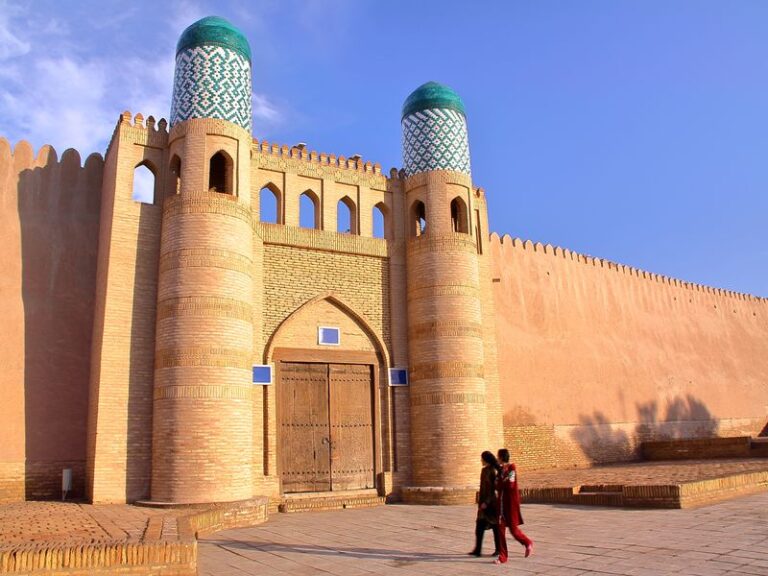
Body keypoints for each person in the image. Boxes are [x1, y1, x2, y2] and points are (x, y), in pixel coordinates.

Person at [495, 448, 533, 564]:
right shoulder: (500, 470)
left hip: (511, 504)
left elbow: (510, 485)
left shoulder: (512, 468)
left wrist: (501, 482)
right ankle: (503, 556)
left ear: (502, 457)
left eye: (498, 456)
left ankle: (527, 543)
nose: (497, 458)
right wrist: (501, 482)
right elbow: (497, 484)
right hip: (501, 504)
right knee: (500, 529)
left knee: (513, 530)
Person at [469, 451, 501, 557]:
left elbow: (491, 489)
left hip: (490, 503)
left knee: (494, 527)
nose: (481, 461)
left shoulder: (490, 471)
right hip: (486, 502)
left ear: (486, 459)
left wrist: (486, 502)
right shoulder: (487, 470)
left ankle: (498, 549)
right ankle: (478, 550)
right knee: (480, 527)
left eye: (482, 459)